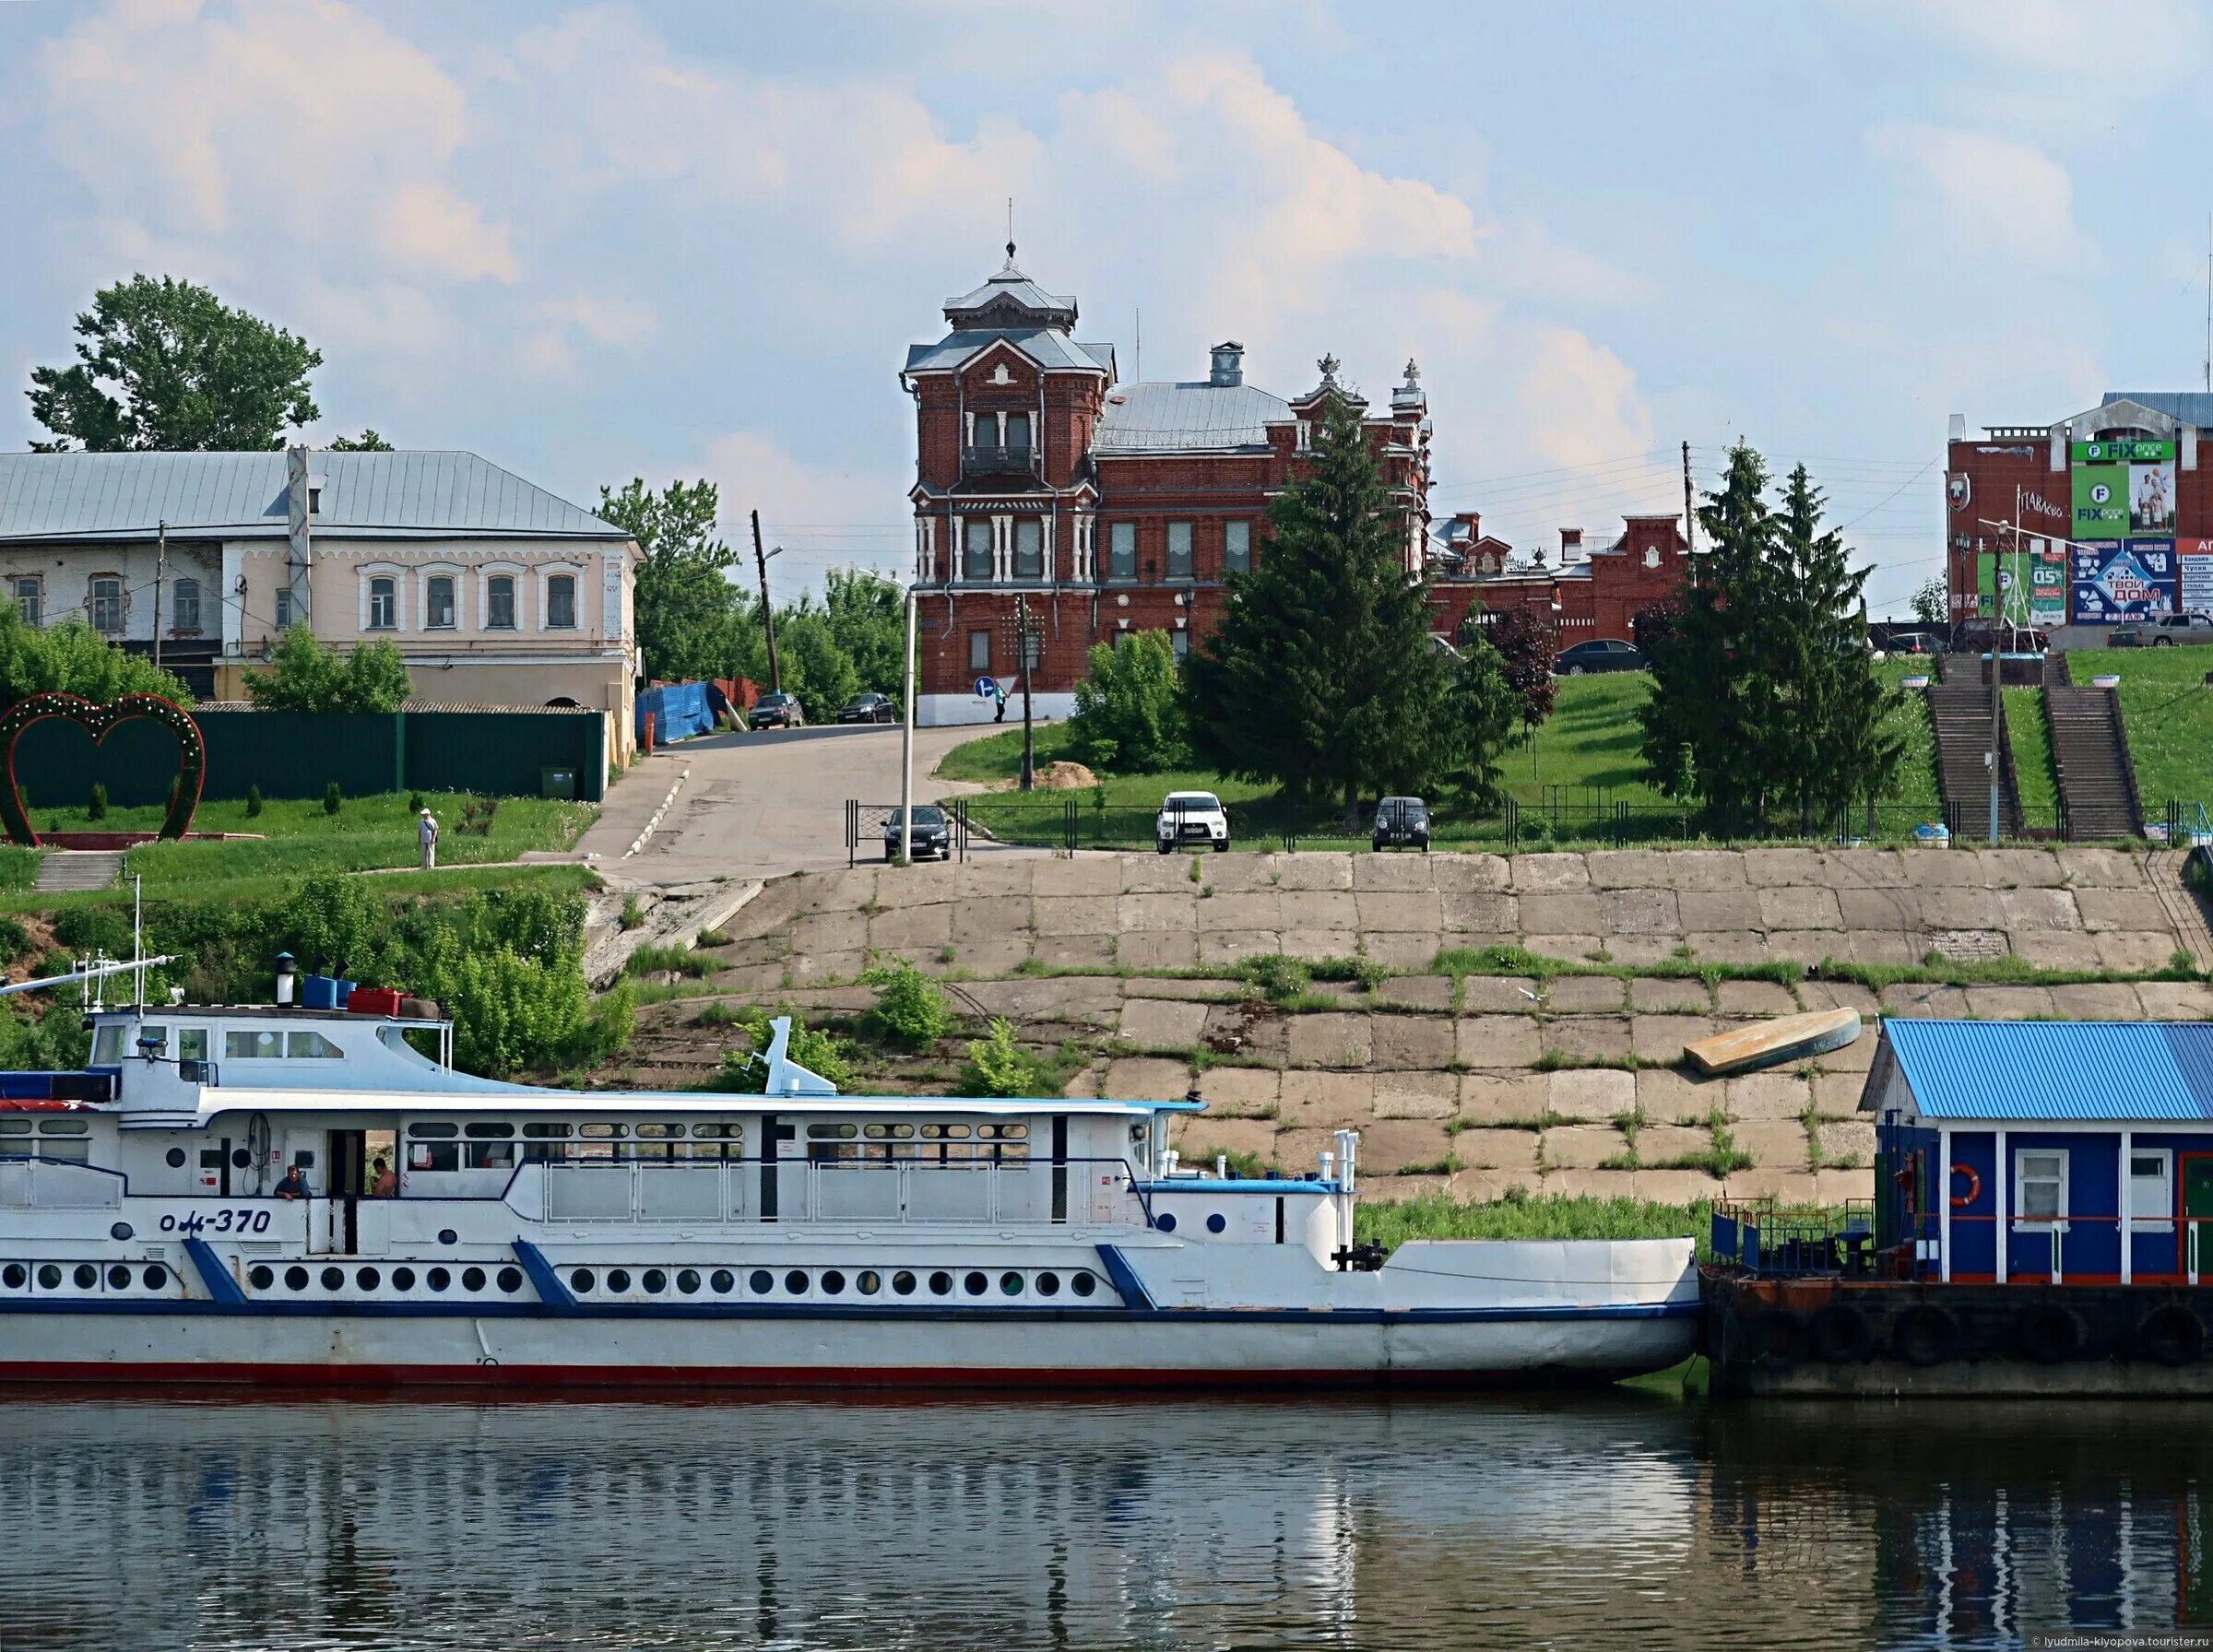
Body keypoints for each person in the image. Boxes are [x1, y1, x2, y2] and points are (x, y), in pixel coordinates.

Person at [418, 806, 439, 870]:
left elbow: (435, 829)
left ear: (428, 814)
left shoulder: (432, 821)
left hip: (430, 838)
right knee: (424, 852)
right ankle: (424, 866)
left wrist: (433, 838)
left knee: (431, 851)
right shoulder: (422, 821)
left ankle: (431, 865)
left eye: (424, 815)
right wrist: (419, 838)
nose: (423, 816)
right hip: (423, 838)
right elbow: (420, 830)